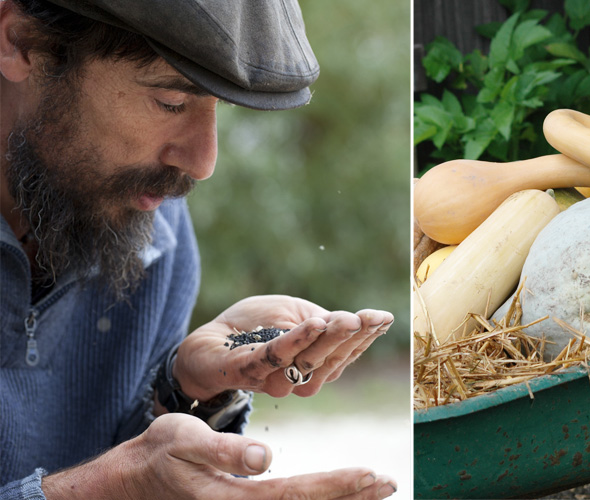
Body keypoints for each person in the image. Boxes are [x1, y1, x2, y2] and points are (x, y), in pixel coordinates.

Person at [0, 0, 399, 499]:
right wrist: (102, 490)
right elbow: (109, 478)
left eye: (219, 106)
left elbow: (129, 452)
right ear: (24, 43)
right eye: (170, 101)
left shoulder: (152, 223)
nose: (203, 162)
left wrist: (187, 390)